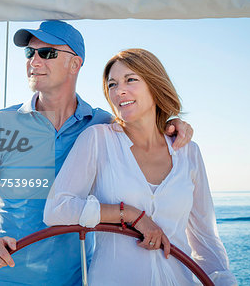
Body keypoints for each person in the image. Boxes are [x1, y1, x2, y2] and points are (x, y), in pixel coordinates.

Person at [0, 21, 194, 285]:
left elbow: (146, 129)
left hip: (76, 278)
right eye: (29, 53)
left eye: (47, 53)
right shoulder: (1, 123)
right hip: (4, 276)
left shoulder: (102, 125)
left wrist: (172, 126)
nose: (34, 61)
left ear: (75, 64)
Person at [44, 48, 237, 285]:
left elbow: (205, 239)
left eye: (130, 79)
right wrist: (131, 214)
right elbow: (56, 209)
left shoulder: (188, 151)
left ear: (155, 85)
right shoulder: (97, 139)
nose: (119, 90)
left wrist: (224, 281)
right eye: (112, 84)